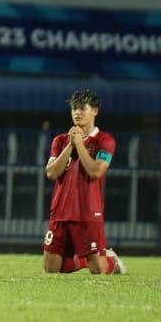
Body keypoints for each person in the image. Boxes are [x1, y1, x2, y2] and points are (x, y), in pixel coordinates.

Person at [43, 89, 126, 275]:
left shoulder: (105, 140)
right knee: (52, 268)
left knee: (98, 270)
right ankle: (83, 260)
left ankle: (111, 260)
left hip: (88, 212)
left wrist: (79, 144)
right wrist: (70, 145)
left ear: (95, 111)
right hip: (60, 212)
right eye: (74, 108)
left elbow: (96, 171)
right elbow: (51, 172)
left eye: (82, 108)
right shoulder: (60, 140)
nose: (77, 112)